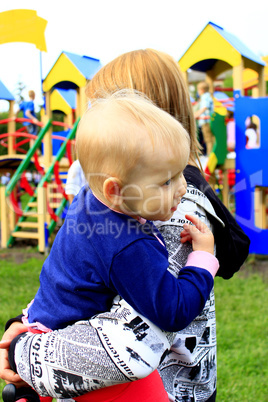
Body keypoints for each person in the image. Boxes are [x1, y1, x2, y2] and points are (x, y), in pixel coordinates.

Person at [0, 49, 250, 402]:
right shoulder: (119, 203)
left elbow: (125, 345)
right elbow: (74, 274)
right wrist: (25, 323)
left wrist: (22, 352)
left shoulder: (169, 209)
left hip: (165, 386)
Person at [194, 81, 214, 156]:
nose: (198, 92)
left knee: (208, 139)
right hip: (208, 120)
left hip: (206, 121)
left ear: (201, 90)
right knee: (209, 138)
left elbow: (204, 107)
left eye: (198, 90)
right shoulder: (208, 96)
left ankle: (210, 155)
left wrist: (196, 115)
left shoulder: (205, 96)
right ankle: (210, 154)